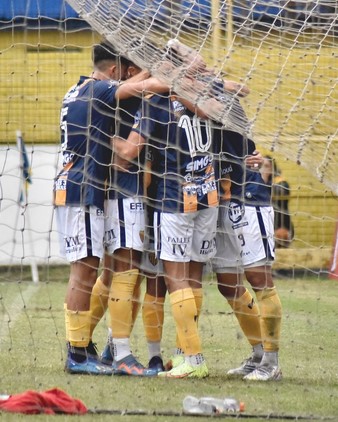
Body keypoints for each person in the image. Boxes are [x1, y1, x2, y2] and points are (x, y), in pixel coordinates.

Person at [54, 41, 167, 375]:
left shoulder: (78, 89)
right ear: (116, 72)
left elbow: (137, 82)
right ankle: (79, 353)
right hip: (83, 188)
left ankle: (85, 347)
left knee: (96, 269)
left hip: (80, 186)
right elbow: (150, 86)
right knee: (86, 270)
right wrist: (174, 73)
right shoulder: (101, 90)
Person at [113, 87, 219, 379]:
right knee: (194, 277)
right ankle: (182, 352)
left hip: (173, 200)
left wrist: (96, 132)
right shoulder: (207, 95)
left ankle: (194, 359)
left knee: (171, 278)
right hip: (207, 196)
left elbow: (129, 153)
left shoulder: (154, 103)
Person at [212, 119, 283, 381]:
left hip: (249, 198)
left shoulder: (218, 99)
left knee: (258, 278)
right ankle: (257, 354)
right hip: (219, 201)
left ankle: (271, 362)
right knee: (228, 283)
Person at [261, 155, 294, 248]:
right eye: (261, 166)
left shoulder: (280, 182)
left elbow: (283, 191)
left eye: (266, 166)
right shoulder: (255, 182)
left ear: (272, 167)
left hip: (281, 224)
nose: (263, 168)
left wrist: (265, 178)